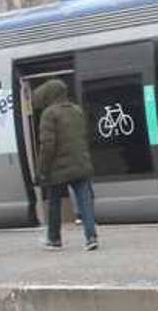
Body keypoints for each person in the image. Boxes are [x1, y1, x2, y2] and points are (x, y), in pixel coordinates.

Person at [32, 79, 99, 251]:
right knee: (85, 202)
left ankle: (54, 239)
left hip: (57, 168)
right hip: (80, 163)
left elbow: (47, 145)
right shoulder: (77, 110)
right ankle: (91, 237)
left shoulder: (49, 113)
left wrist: (42, 169)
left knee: (54, 203)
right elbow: (85, 136)